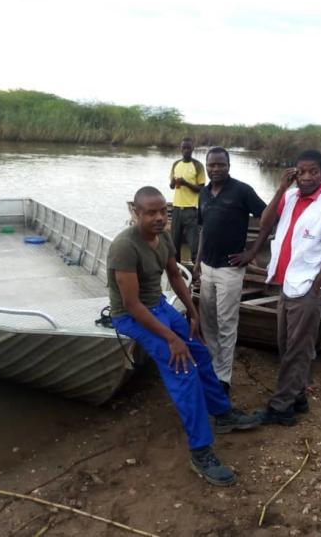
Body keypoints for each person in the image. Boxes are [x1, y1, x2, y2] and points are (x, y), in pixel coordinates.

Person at [107, 186, 260, 487]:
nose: (159, 217)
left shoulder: (163, 235)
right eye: (151, 212)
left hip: (160, 308)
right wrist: (172, 339)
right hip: (132, 316)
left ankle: (223, 414)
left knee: (201, 354)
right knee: (183, 367)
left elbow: (175, 276)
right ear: (136, 213)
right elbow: (132, 306)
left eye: (163, 211)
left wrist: (193, 313)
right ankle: (200, 450)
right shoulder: (124, 247)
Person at [254, 150, 321, 426]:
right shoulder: (290, 197)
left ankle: (281, 407)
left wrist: (315, 287)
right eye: (301, 171)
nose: (306, 177)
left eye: (312, 172)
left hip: (308, 288)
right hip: (288, 283)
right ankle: (298, 397)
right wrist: (282, 187)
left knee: (296, 348)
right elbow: (265, 223)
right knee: (287, 343)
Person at [193, 147, 270, 394]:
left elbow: (268, 218)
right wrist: (196, 263)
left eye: (220, 165)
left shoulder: (242, 191)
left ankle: (223, 378)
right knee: (208, 322)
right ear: (206, 166)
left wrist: (251, 252)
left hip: (230, 269)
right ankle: (214, 367)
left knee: (226, 323)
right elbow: (204, 229)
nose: (216, 169)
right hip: (207, 267)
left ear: (228, 165)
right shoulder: (203, 193)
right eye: (211, 165)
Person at [169, 138, 205, 263]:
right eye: (183, 148)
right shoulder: (176, 164)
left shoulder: (198, 165)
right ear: (180, 148)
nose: (186, 150)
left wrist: (185, 183)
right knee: (174, 244)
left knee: (194, 244)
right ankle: (177, 271)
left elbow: (201, 189)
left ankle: (196, 272)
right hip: (176, 209)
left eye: (188, 148)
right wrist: (174, 182)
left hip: (191, 210)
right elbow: (171, 186)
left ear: (192, 149)